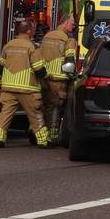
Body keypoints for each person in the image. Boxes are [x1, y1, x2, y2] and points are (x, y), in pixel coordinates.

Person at [0, 20, 50, 148]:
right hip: (27, 89)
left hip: (9, 87)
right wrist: (46, 77)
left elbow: (0, 67)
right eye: (33, 29)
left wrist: (0, 81)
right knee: (35, 115)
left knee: (5, 114)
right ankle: (43, 141)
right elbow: (38, 69)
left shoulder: (8, 45)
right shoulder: (32, 47)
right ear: (29, 31)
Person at [38, 15, 76, 145]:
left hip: (44, 78)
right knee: (56, 106)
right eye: (72, 23)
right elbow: (70, 60)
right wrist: (72, 75)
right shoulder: (68, 40)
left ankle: (36, 133)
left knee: (43, 106)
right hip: (59, 80)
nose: (74, 26)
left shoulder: (47, 36)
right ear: (65, 23)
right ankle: (52, 136)